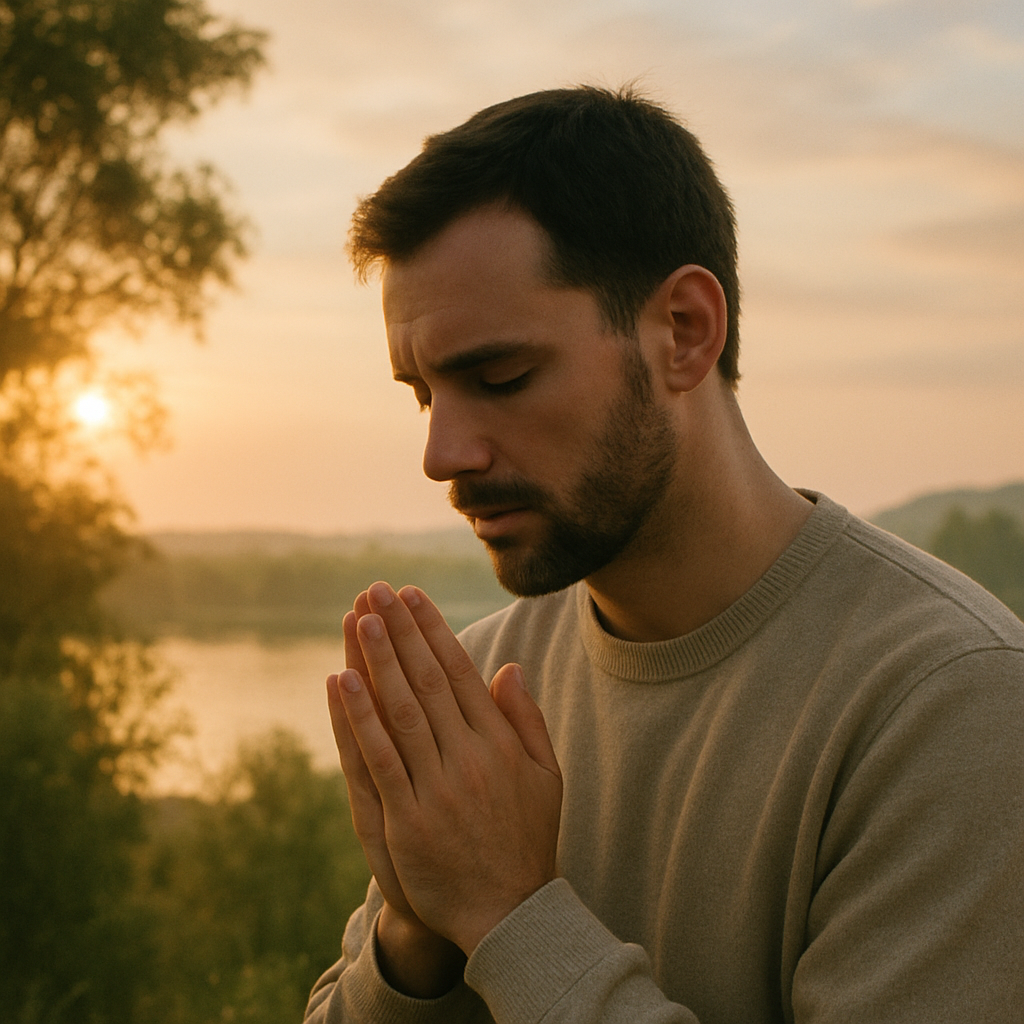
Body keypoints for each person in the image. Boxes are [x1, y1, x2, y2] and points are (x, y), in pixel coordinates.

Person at [305, 86, 1024, 1023]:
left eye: (500, 378)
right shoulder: (481, 686)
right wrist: (415, 934)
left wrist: (510, 919)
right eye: (422, 394)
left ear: (685, 331)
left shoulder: (951, 704)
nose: (444, 453)